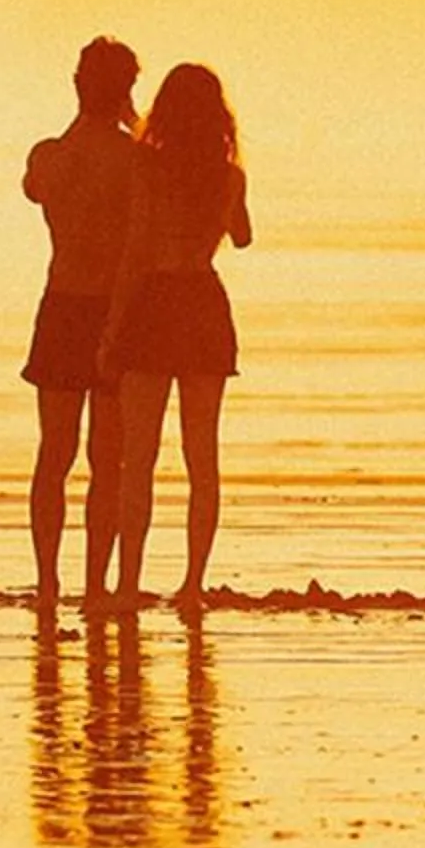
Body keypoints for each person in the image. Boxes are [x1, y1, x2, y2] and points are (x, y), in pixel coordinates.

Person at [102, 62, 253, 613]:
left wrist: (113, 329)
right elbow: (242, 236)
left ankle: (127, 584)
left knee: (137, 458)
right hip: (204, 304)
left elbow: (137, 249)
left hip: (156, 302)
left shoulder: (149, 168)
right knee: (201, 457)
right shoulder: (229, 175)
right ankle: (193, 585)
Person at [21, 36, 146, 608]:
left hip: (66, 303)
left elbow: (38, 189)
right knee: (108, 457)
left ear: (77, 85)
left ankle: (49, 583)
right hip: (116, 308)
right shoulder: (136, 158)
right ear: (125, 90)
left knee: (57, 452)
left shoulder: (52, 153)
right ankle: (95, 585)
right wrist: (133, 122)